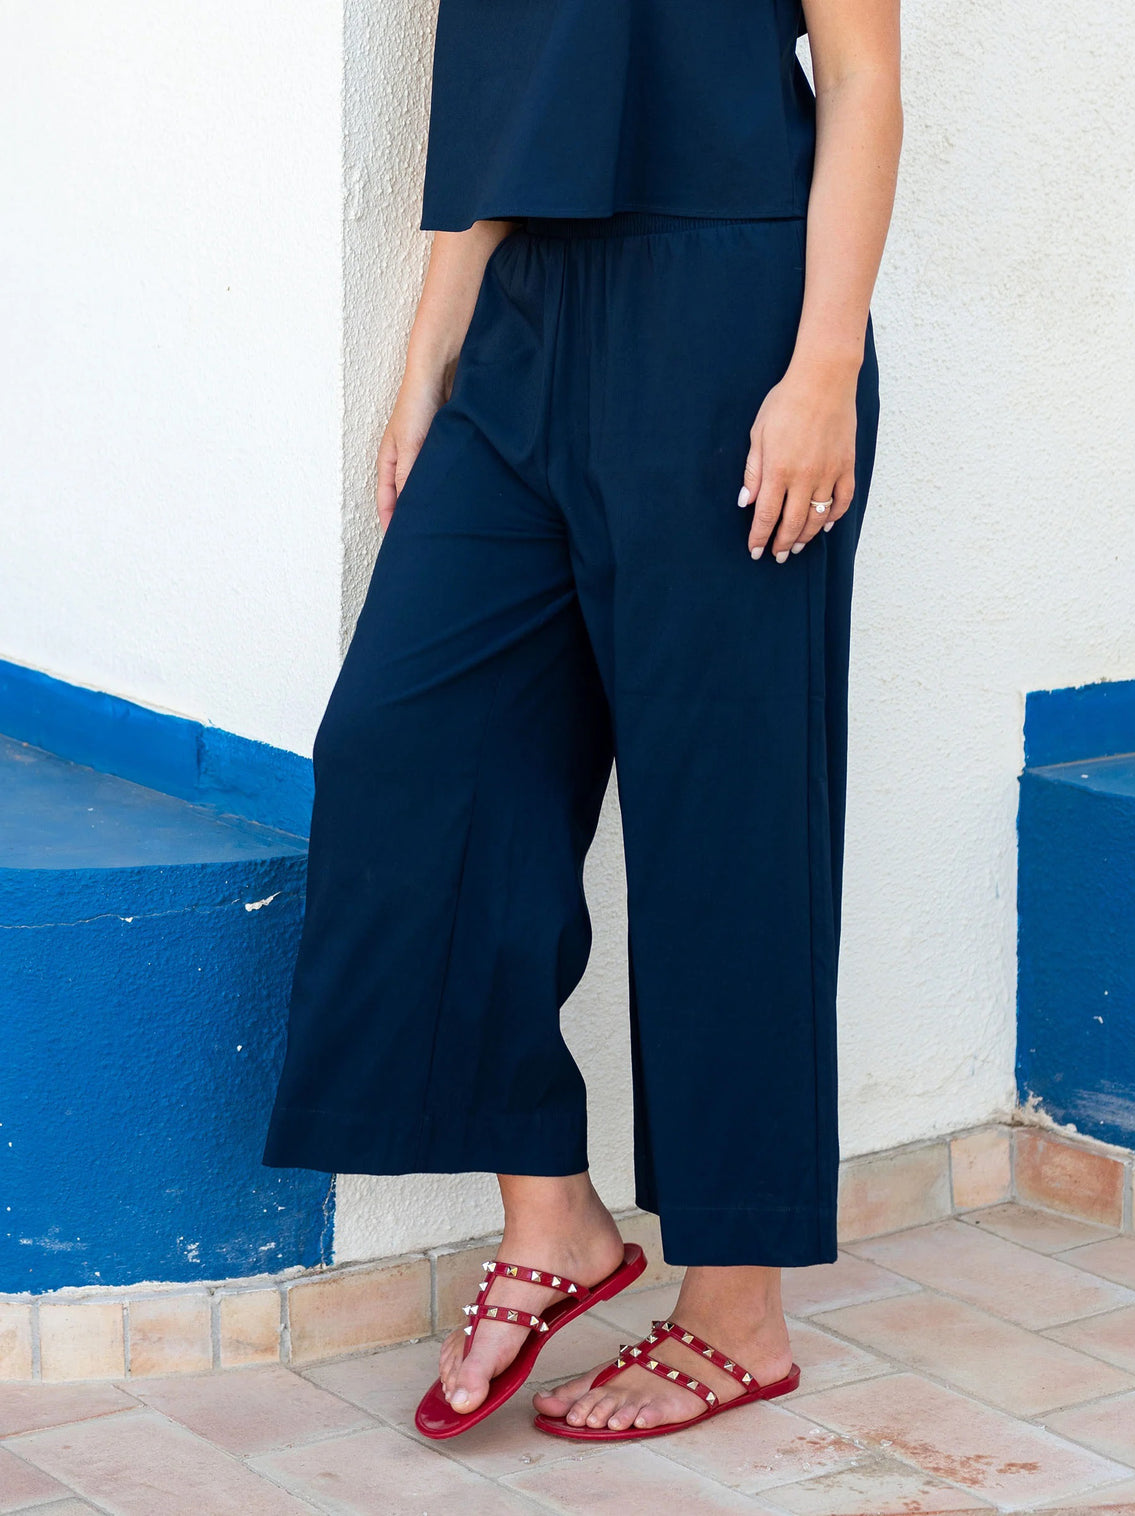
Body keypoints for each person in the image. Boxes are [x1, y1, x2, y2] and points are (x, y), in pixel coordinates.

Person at [264, 0, 903, 1442]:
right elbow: (501, 96)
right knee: (406, 756)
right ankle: (551, 1219)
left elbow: (864, 80)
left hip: (734, 310)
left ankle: (738, 1309)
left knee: (724, 819)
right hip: (524, 325)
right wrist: (429, 355)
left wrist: (821, 367)